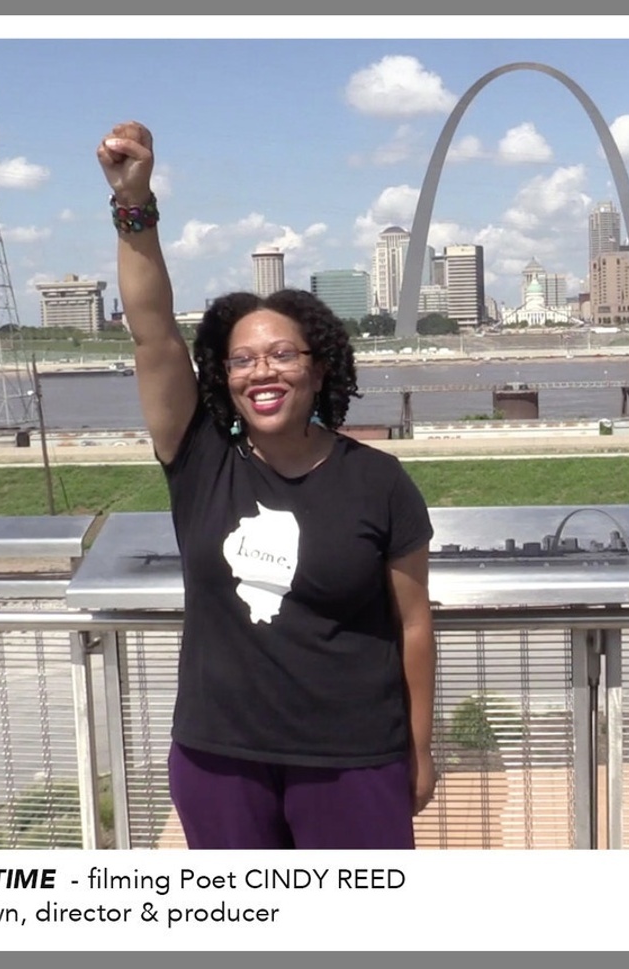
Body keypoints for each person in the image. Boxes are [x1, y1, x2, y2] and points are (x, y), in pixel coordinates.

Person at [96, 121, 437, 849]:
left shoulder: (380, 482)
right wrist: (134, 207)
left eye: (284, 354)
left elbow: (413, 625)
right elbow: (153, 334)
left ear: (320, 368)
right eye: (243, 359)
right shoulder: (199, 462)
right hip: (220, 759)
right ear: (223, 376)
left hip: (354, 760)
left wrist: (421, 746)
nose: (263, 371)